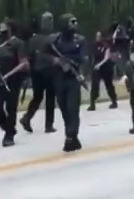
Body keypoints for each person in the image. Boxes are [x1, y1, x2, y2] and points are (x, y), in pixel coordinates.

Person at [0, 20, 30, 146]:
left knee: (11, 107)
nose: (2, 33)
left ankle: (9, 135)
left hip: (13, 80)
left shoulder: (18, 44)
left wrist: (8, 75)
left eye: (4, 30)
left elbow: (24, 63)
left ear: (10, 30)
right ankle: (6, 126)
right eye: (0, 31)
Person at [48, 14, 86, 152]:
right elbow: (42, 54)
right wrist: (55, 61)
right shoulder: (55, 40)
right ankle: (73, 138)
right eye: (71, 22)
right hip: (58, 78)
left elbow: (83, 58)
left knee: (72, 108)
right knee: (64, 109)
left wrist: (75, 66)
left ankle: (70, 136)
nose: (75, 24)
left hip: (73, 78)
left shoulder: (80, 40)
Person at [20, 12, 58, 134]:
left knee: (38, 96)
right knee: (50, 97)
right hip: (48, 71)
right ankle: (48, 125)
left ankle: (27, 117)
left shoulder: (33, 39)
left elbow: (29, 57)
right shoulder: (53, 38)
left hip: (37, 71)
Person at [87, 29, 118, 111]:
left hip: (106, 66)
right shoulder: (94, 45)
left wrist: (99, 64)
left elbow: (107, 57)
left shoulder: (106, 45)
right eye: (97, 36)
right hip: (97, 67)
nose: (98, 37)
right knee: (94, 85)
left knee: (109, 84)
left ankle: (114, 101)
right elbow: (92, 56)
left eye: (99, 36)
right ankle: (92, 104)